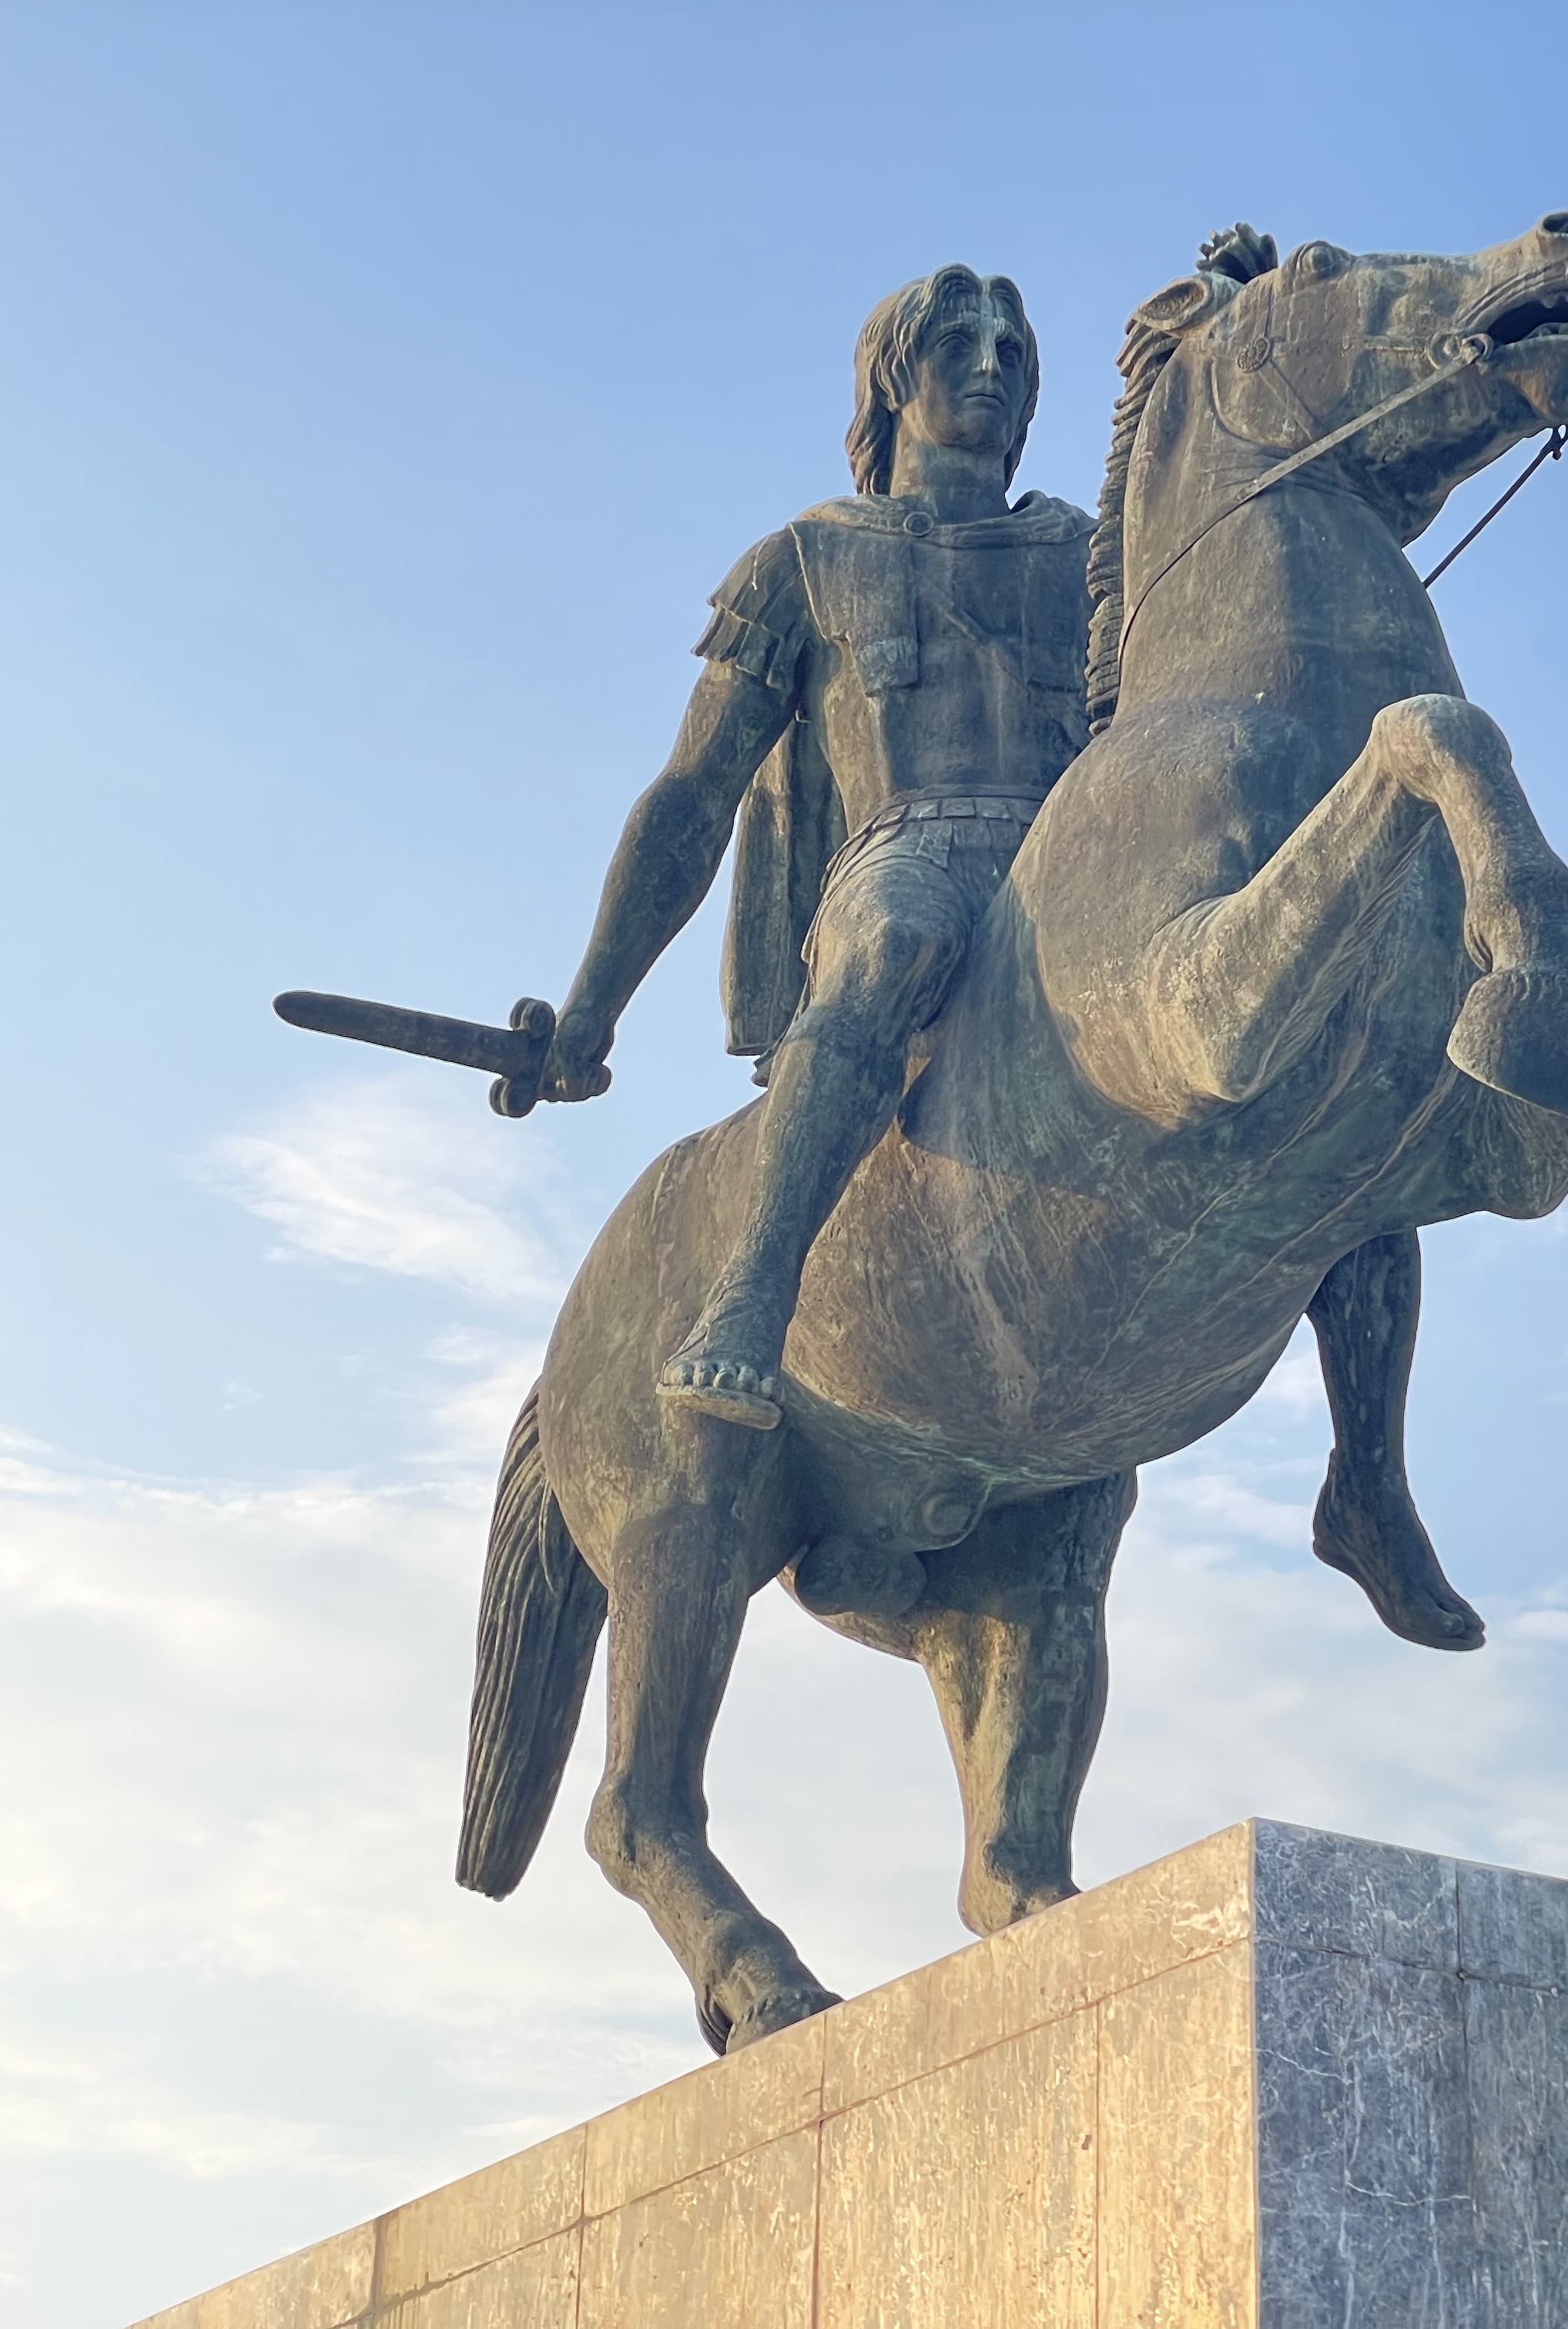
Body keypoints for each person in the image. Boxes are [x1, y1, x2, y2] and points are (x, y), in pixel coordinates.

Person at [535, 260, 1483, 1648]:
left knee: (1342, 1059)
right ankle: (750, 1294)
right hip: (909, 853)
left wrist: (1227, 323)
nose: (987, 362)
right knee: (893, 944)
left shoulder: (1073, 553)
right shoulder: (806, 560)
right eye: (954, 340)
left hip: (1085, 870)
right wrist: (591, 1012)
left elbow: (1248, 505)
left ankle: (1371, 1479)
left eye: (1007, 345)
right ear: (890, 377)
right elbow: (691, 799)